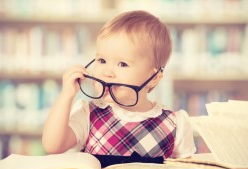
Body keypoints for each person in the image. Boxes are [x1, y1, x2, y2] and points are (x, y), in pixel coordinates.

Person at [42, 10, 196, 160]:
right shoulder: (89, 114)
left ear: (153, 78)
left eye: (122, 64)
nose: (107, 72)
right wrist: (66, 96)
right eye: (102, 61)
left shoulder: (175, 124)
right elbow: (53, 146)